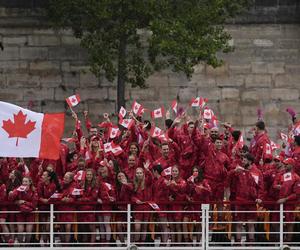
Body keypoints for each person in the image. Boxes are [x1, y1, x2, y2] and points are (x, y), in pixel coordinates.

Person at [9, 176, 38, 245]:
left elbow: (34, 204)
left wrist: (24, 202)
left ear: (30, 182)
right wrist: (11, 194)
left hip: (30, 213)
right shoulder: (18, 189)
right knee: (20, 230)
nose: (24, 183)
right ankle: (21, 245)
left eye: (26, 181)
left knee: (28, 231)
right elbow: (12, 199)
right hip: (20, 212)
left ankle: (27, 245)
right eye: (23, 181)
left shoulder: (34, 191)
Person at [131, 163, 153, 245]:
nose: (139, 174)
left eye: (140, 173)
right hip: (138, 208)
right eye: (137, 173)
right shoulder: (134, 183)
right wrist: (135, 200)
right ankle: (137, 243)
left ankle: (142, 244)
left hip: (146, 207)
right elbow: (131, 196)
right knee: (137, 227)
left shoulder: (147, 182)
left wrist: (147, 170)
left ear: (143, 174)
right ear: (135, 174)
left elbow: (151, 177)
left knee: (144, 227)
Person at [77, 168, 98, 245]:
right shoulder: (82, 184)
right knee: (83, 227)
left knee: (92, 227)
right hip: (82, 209)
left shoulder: (95, 185)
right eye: (87, 175)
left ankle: (92, 245)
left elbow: (93, 197)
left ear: (93, 176)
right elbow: (77, 194)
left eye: (90, 175)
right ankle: (85, 243)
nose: (89, 176)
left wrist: (83, 199)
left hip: (90, 209)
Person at [37, 170, 57, 245]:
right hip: (42, 208)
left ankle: (52, 242)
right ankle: (46, 243)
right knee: (44, 226)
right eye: (42, 175)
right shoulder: (40, 184)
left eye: (44, 175)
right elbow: (38, 195)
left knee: (49, 227)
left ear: (49, 177)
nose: (42, 176)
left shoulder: (53, 185)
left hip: (50, 209)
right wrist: (42, 199)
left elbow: (54, 196)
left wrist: (48, 200)